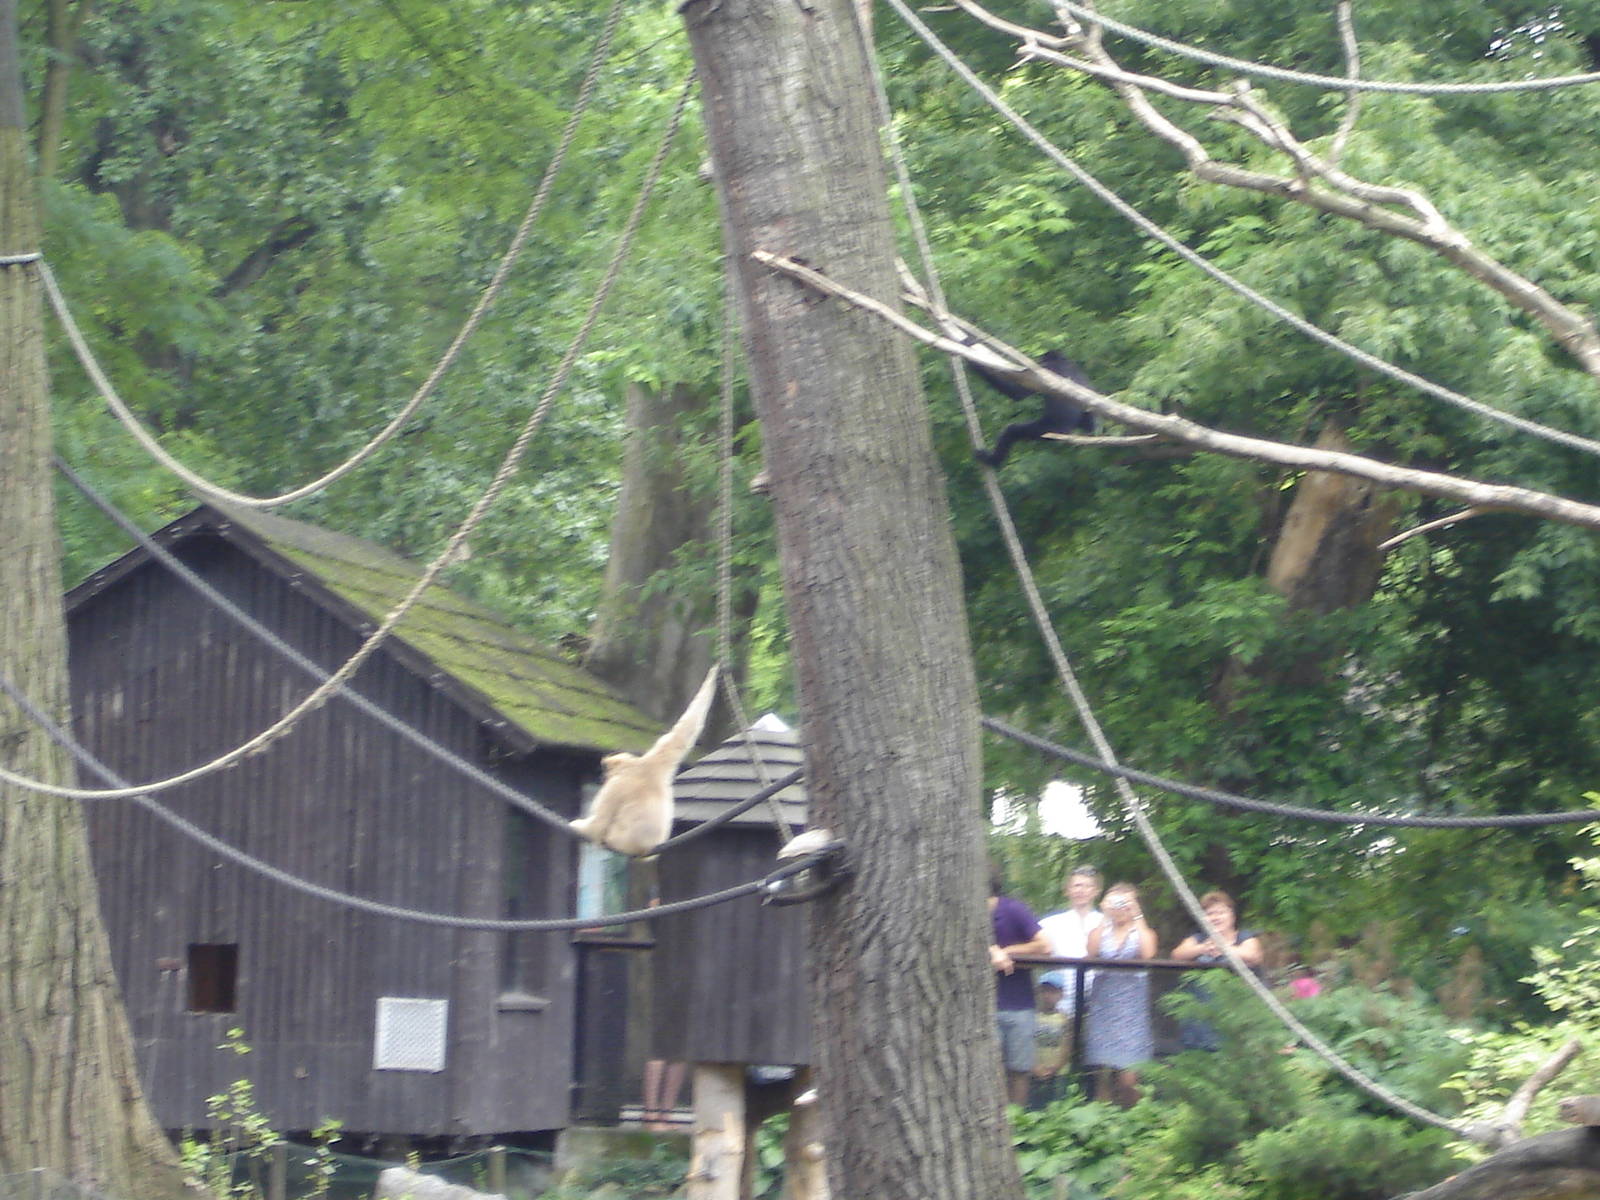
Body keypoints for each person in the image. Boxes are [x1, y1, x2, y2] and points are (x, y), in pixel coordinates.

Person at [1081, 882, 1157, 1107]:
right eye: (1116, 901)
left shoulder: (1140, 931)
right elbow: (1091, 951)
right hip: (1104, 1005)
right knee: (1102, 1074)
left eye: (1125, 901)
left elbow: (1148, 953)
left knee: (1129, 1078)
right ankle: (1103, 1122)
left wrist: (1137, 914)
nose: (1120, 906)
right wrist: (1106, 915)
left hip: (1131, 1010)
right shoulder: (1101, 931)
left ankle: (1134, 1120)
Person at [1171, 889, 1265, 1051]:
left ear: (1232, 916)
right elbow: (1177, 955)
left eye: (1221, 912)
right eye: (1210, 913)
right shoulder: (1198, 938)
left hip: (1235, 1012)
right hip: (1201, 1013)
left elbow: (1253, 955)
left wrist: (1225, 948)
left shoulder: (1244, 937)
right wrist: (1202, 949)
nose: (1215, 917)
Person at [989, 868, 1051, 1106]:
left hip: (1018, 1003)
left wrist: (1007, 952)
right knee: (986, 1070)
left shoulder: (1012, 910)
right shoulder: (962, 912)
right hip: (978, 1008)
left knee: (1019, 1069)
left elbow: (1045, 945)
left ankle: (1019, 1125)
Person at [1038, 864, 1104, 1018]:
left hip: (1099, 1001)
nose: (1081, 890)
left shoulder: (1106, 923)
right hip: (1061, 1002)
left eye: (1087, 886)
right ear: (1067, 890)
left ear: (1096, 891)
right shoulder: (1050, 924)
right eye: (1077, 885)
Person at [1028, 978, 1070, 1109]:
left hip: (1059, 1073)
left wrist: (1056, 1067)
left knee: (1057, 1107)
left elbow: (1067, 1045)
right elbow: (1027, 1043)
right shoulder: (1031, 1017)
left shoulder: (1065, 1019)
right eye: (1044, 991)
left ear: (1061, 995)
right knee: (1034, 1107)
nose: (1047, 995)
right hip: (1034, 1072)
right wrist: (1035, 1066)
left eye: (1053, 992)